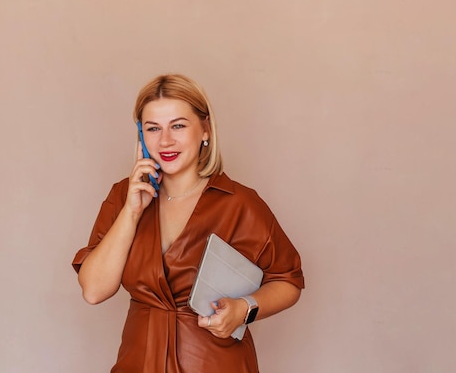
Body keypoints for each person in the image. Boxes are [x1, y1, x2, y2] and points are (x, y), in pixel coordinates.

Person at [72, 74, 304, 373]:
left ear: (205, 130)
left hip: (216, 364)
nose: (165, 140)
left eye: (178, 125)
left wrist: (244, 309)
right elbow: (93, 291)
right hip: (138, 363)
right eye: (153, 128)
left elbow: (289, 281)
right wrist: (131, 212)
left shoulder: (239, 203)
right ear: (141, 136)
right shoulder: (123, 196)